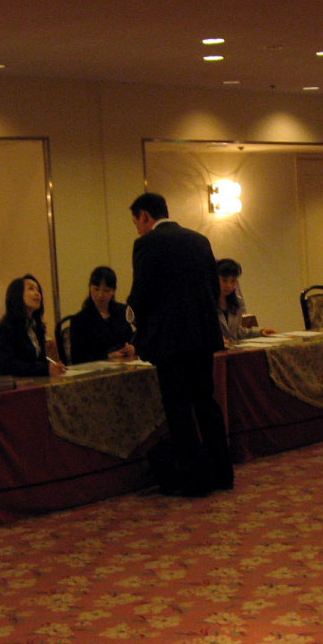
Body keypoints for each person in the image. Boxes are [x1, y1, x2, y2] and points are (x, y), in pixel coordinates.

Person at [127, 192, 232, 497]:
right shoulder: (200, 240)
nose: (138, 229)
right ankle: (223, 473)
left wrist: (134, 322)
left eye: (136, 222)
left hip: (170, 342)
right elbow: (213, 289)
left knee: (179, 410)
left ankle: (196, 481)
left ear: (145, 216)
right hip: (202, 337)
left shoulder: (147, 244)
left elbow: (141, 294)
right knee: (206, 402)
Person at [0, 274, 65, 377]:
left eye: (38, 290)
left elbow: (38, 360)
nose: (37, 294)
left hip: (36, 380)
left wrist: (53, 366)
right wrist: (45, 369)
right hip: (16, 382)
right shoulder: (7, 327)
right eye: (31, 289)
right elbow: (8, 366)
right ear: (18, 294)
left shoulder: (36, 327)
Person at [68, 265, 136, 362]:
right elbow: (77, 358)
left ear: (113, 291)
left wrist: (132, 348)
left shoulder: (123, 312)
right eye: (96, 289)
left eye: (106, 291)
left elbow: (131, 338)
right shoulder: (79, 320)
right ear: (90, 288)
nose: (100, 295)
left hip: (125, 364)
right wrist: (107, 356)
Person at [216, 258, 276, 346]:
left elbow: (237, 332)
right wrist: (217, 340)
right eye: (224, 280)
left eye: (233, 281)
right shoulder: (206, 303)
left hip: (233, 350)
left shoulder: (237, 302)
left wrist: (260, 332)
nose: (229, 285)